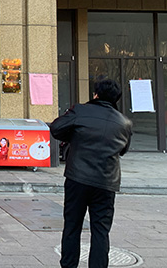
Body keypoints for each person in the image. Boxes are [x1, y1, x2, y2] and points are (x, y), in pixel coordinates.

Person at [50, 79, 132, 268]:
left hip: (77, 178)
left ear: (96, 94)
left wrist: (74, 137)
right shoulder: (124, 122)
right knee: (101, 231)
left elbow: (56, 128)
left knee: (72, 226)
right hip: (106, 182)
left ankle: (68, 265)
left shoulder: (80, 111)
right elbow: (123, 150)